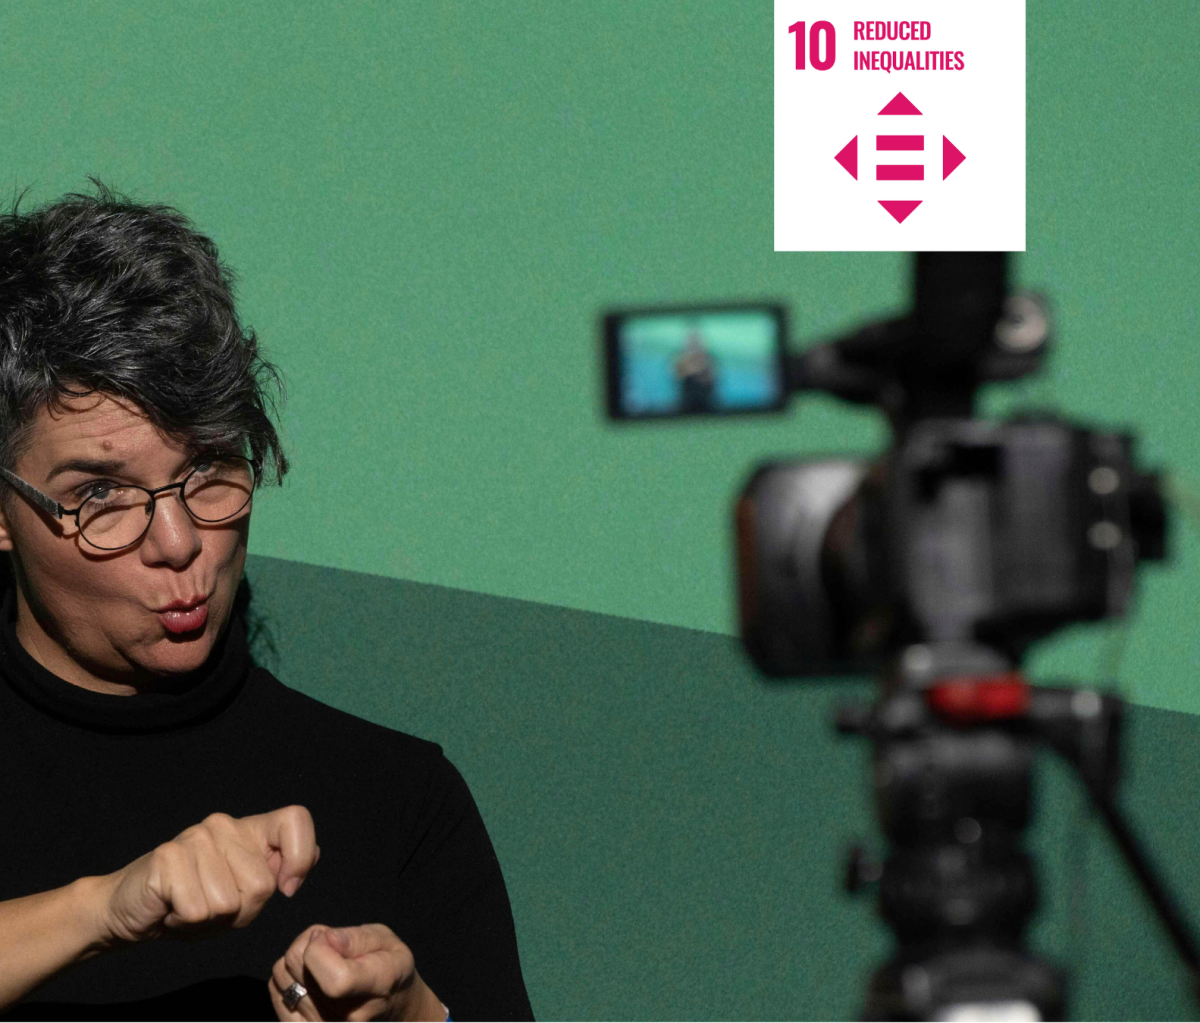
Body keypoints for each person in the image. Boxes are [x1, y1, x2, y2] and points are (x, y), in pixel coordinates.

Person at [0, 181, 534, 1021]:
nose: (178, 541)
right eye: (101, 494)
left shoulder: (394, 798)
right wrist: (102, 910)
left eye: (211, 469)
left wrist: (418, 1014)